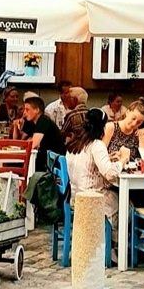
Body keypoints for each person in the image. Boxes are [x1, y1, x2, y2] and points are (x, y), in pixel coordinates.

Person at [65, 108, 129, 255]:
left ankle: (112, 244)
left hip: (75, 196)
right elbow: (110, 174)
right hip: (93, 196)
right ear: (102, 126)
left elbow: (88, 164)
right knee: (127, 205)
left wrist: (108, 158)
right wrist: (123, 159)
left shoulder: (75, 143)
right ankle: (115, 249)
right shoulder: (97, 145)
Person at [21, 96, 65, 173]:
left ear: (37, 110)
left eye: (27, 109)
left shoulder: (43, 121)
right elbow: (24, 141)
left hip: (52, 163)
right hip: (44, 160)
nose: (24, 113)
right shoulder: (33, 122)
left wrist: (20, 147)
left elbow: (32, 145)